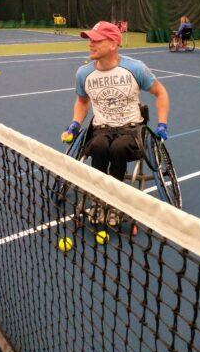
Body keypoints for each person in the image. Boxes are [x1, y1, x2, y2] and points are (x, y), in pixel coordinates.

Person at [61, 21, 169, 225]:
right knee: (99, 147)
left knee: (118, 148)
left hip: (132, 130)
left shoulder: (135, 68)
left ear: (113, 44)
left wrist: (162, 124)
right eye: (89, 40)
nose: (90, 44)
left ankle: (116, 204)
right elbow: (82, 101)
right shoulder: (83, 73)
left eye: (96, 40)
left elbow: (160, 93)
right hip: (101, 129)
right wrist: (75, 124)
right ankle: (100, 200)